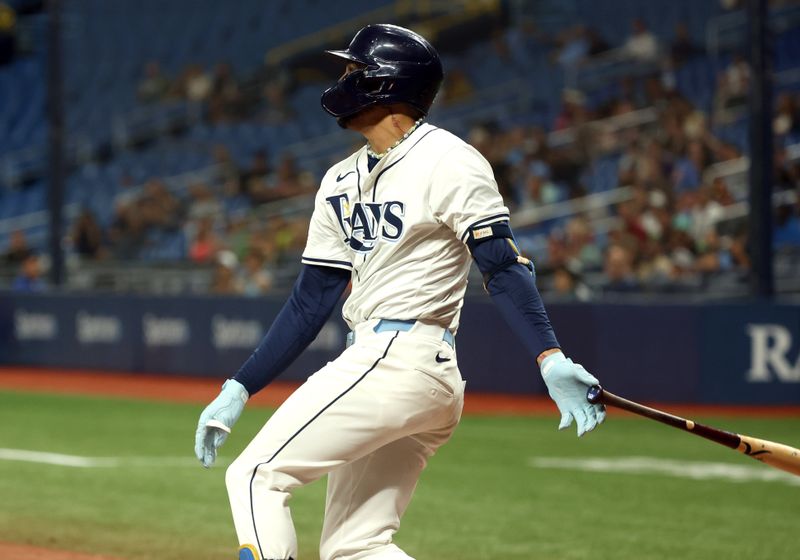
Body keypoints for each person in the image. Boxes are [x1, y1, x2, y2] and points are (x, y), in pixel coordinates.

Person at [194, 24, 605, 560]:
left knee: (254, 476)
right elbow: (311, 300)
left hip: (399, 358)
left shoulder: (449, 160)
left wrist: (549, 355)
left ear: (387, 85)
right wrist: (240, 387)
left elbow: (501, 267)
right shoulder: (339, 179)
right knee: (355, 546)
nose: (344, 80)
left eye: (355, 71)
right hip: (401, 368)